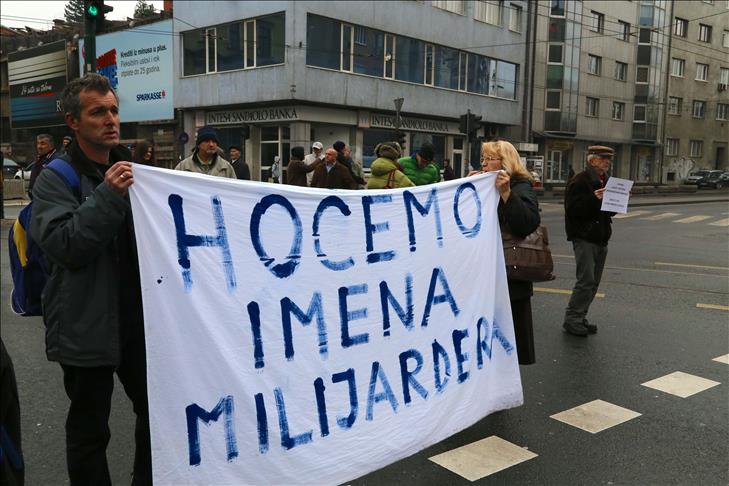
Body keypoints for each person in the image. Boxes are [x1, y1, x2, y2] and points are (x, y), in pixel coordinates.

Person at [29, 73, 151, 484]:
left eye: (114, 110)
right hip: (85, 324)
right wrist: (108, 195)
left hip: (138, 323)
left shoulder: (138, 171)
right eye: (98, 112)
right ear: (73, 122)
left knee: (157, 412)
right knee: (89, 430)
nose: (110, 119)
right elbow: (65, 245)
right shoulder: (55, 177)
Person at [471, 140, 540, 365]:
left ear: (505, 162)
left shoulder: (521, 186)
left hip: (510, 275)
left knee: (508, 343)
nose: (484, 164)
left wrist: (507, 193)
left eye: (489, 159)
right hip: (486, 271)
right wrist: (468, 190)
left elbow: (527, 224)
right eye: (483, 159)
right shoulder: (484, 185)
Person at [562, 145, 615, 336]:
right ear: (592, 161)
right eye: (603, 159)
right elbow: (573, 210)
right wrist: (594, 198)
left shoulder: (606, 180)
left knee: (594, 283)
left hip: (600, 237)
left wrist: (618, 201)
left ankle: (580, 316)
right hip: (584, 237)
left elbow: (608, 212)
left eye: (608, 159)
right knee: (586, 281)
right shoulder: (580, 180)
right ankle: (572, 319)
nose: (607, 162)